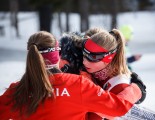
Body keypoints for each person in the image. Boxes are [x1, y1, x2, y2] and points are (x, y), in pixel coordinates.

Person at [0, 31, 142, 120]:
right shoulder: (78, 85)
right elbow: (118, 108)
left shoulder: (16, 91)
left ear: (30, 56)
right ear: (58, 54)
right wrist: (136, 88)